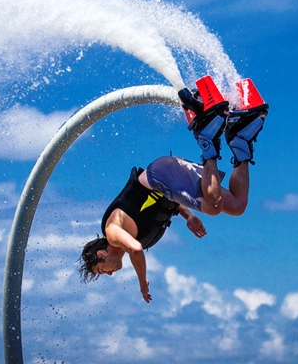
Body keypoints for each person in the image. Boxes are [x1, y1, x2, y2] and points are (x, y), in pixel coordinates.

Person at [78, 76, 269, 303]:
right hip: (167, 182)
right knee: (237, 206)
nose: (109, 273)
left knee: (213, 206)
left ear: (102, 254)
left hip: (162, 176)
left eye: (102, 270)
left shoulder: (112, 233)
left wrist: (142, 283)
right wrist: (188, 215)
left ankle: (207, 138)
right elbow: (156, 203)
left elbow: (137, 249)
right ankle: (240, 144)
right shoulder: (123, 238)